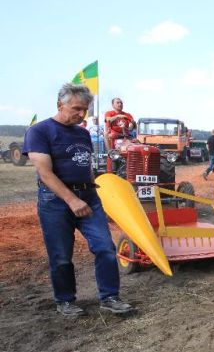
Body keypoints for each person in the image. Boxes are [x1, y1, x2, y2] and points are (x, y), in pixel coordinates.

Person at [22, 83, 133, 317]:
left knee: (104, 246)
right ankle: (65, 301)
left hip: (89, 197)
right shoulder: (39, 131)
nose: (81, 115)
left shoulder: (83, 133)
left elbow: (86, 167)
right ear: (59, 105)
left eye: (85, 110)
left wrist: (94, 194)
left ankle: (110, 297)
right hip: (55, 201)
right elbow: (45, 173)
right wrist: (72, 200)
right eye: (76, 109)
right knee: (61, 255)